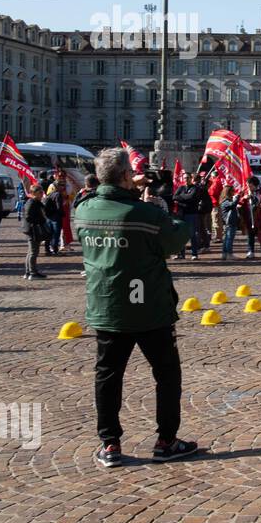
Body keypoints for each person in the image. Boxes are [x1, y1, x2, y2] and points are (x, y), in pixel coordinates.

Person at [74, 147, 199, 469]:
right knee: (167, 374)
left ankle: (110, 443)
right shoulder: (143, 213)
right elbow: (176, 239)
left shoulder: (85, 211)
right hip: (147, 306)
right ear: (127, 175)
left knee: (108, 375)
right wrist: (159, 205)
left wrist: (130, 190)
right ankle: (166, 440)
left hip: (107, 304)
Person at [21, 184, 49, 280]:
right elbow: (28, 217)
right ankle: (32, 272)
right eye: (40, 192)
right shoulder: (31, 202)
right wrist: (40, 221)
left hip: (32, 229)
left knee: (31, 251)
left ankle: (29, 272)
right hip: (32, 229)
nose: (42, 194)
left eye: (42, 192)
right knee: (33, 251)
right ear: (34, 193)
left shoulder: (36, 202)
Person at [240, 176, 261, 259]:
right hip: (248, 216)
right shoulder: (245, 192)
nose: (248, 187)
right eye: (247, 185)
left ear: (255, 185)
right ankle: (251, 251)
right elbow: (239, 203)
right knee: (250, 235)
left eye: (250, 185)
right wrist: (244, 198)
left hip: (259, 216)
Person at [172, 174, 203, 260]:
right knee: (181, 234)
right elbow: (174, 197)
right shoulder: (181, 188)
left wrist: (181, 198)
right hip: (181, 214)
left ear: (191, 179)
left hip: (191, 213)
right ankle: (181, 254)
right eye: (184, 178)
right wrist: (184, 198)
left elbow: (191, 197)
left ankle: (194, 254)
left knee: (192, 234)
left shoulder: (195, 188)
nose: (186, 179)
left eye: (188, 178)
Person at [219, 184, 240, 260]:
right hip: (230, 222)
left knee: (227, 239)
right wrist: (237, 198)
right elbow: (233, 205)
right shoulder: (226, 201)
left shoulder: (225, 200)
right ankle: (229, 254)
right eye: (233, 191)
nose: (234, 192)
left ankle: (224, 254)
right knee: (229, 238)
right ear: (229, 192)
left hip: (230, 222)